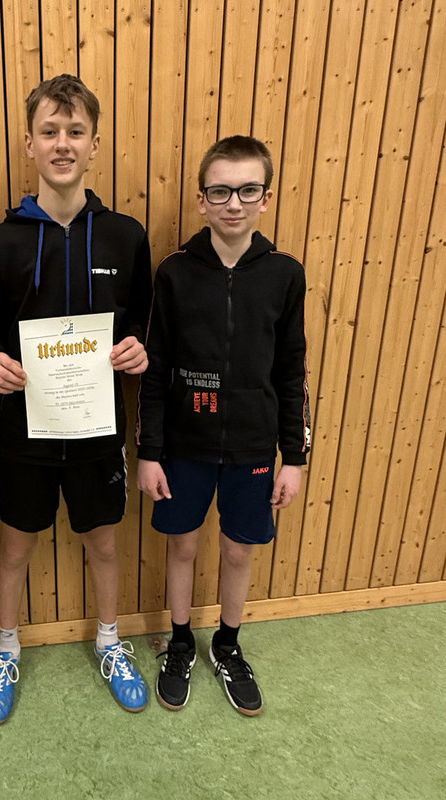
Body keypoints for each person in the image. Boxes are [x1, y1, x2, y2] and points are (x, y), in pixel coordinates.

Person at [0, 74, 152, 722]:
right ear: (29, 143)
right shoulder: (0, 241)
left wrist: (138, 349)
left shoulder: (126, 236)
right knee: (15, 549)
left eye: (76, 131)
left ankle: (109, 639)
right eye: (49, 131)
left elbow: (144, 323)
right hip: (27, 430)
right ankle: (7, 647)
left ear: (95, 144)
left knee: (103, 544)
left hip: (99, 430)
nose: (62, 143)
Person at [137, 135, 311, 715]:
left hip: (254, 449)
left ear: (266, 197)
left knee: (239, 553)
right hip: (183, 447)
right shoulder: (175, 272)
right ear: (201, 199)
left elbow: (292, 371)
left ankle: (228, 646)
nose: (233, 203)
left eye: (247, 190)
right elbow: (155, 369)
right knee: (182, 546)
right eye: (220, 191)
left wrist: (295, 459)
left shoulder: (285, 274)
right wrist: (149, 452)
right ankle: (180, 642)